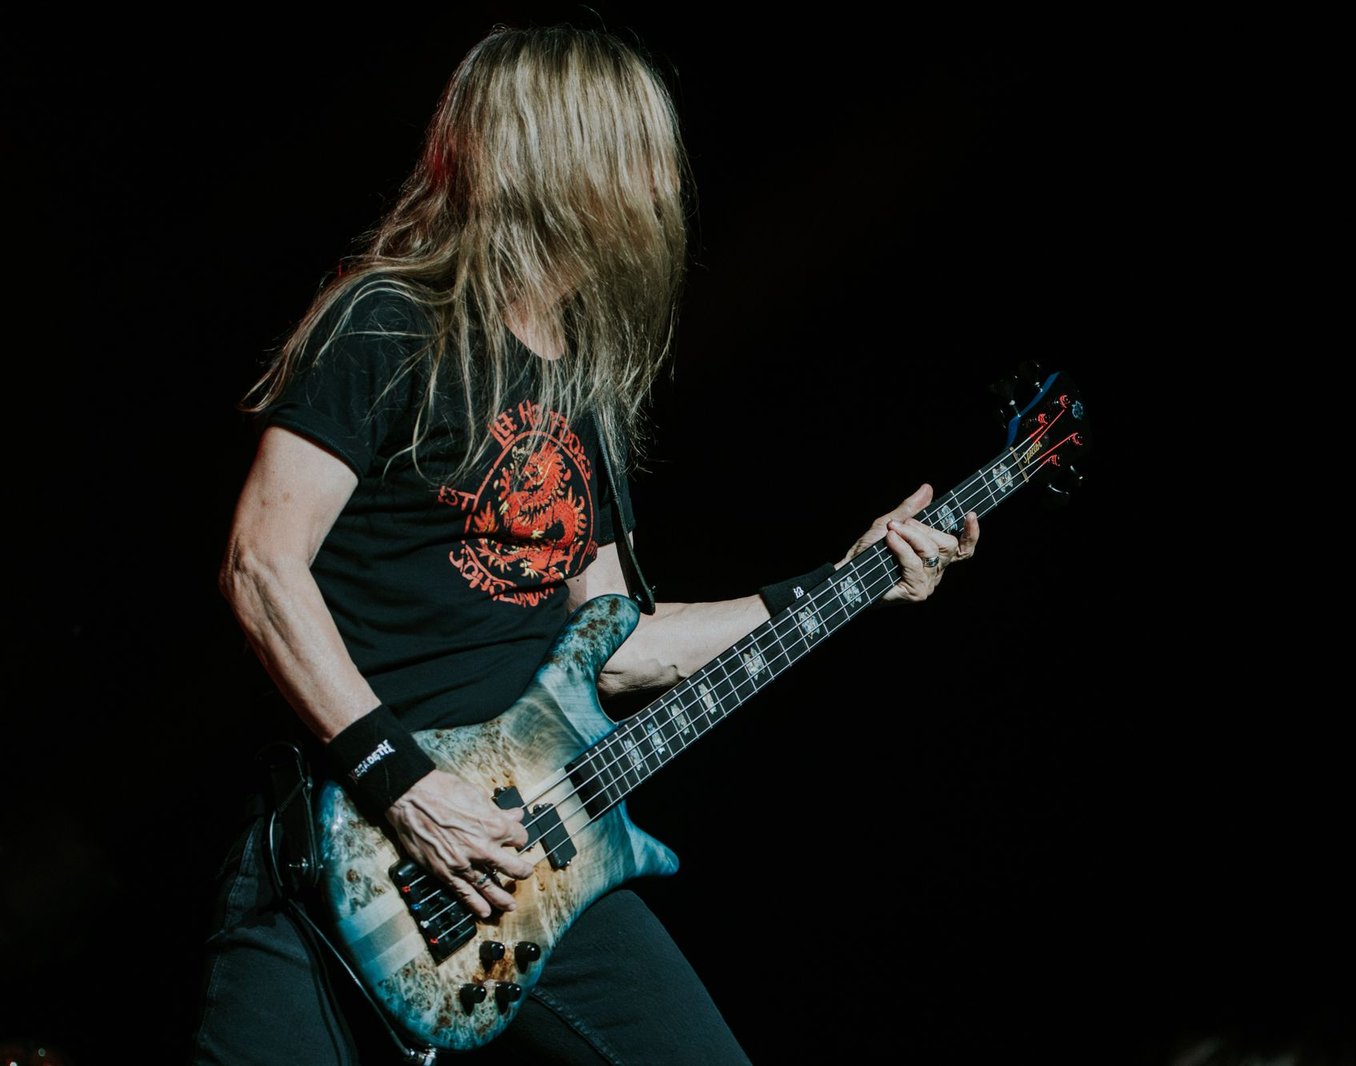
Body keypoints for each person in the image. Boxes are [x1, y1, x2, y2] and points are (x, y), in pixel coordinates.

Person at [188, 22, 978, 1066]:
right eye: (641, 151)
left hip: (529, 857)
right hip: (348, 854)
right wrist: (404, 783)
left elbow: (618, 642)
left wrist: (849, 581)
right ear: (568, 158)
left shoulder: (584, 394)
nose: (665, 183)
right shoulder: (392, 319)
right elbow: (260, 563)